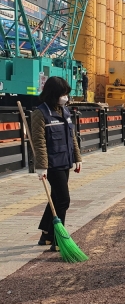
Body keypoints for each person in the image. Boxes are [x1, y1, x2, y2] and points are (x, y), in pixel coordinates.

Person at [31, 76, 82, 251]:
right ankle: (59, 240)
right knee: (63, 200)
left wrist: (77, 158)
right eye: (63, 94)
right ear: (54, 93)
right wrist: (41, 167)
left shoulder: (64, 111)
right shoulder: (41, 113)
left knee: (56, 197)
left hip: (65, 160)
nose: (65, 97)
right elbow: (39, 142)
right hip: (52, 164)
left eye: (67, 94)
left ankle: (47, 234)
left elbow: (72, 137)